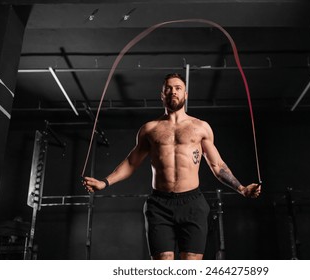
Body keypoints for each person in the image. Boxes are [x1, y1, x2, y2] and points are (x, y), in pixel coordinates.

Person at [83, 73, 261, 260]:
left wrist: (241, 188)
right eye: (168, 88)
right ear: (162, 95)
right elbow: (131, 162)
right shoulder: (150, 129)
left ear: (186, 94)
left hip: (192, 203)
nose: (173, 92)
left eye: (178, 88)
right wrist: (104, 182)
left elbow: (217, 165)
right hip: (159, 205)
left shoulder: (201, 127)